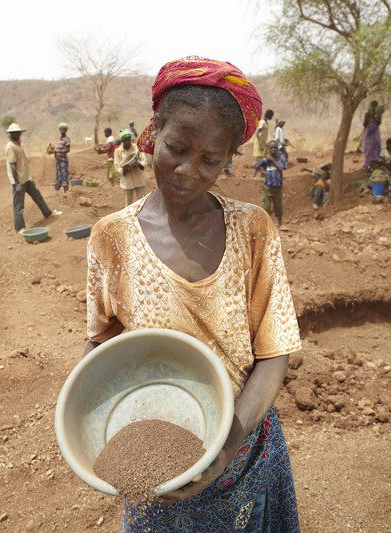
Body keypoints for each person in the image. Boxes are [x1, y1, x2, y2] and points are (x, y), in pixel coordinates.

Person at [85, 57, 301, 531]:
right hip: (155, 461)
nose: (187, 171)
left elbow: (274, 352)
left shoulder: (252, 230)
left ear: (228, 158)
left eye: (210, 160)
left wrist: (224, 449)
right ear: (152, 134)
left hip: (243, 452)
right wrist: (93, 417)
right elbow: (101, 344)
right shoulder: (112, 238)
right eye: (176, 148)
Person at [5, 123, 62, 233]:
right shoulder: (10, 146)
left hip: (26, 179)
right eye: (14, 133)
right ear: (10, 134)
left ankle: (47, 213)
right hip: (19, 181)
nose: (17, 134)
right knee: (19, 206)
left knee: (37, 196)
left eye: (18, 132)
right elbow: (12, 165)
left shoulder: (17, 144)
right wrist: (17, 183)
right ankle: (20, 228)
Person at [252, 140, 287, 227]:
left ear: (277, 148)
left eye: (275, 147)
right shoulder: (265, 159)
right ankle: (262, 226)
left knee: (279, 208)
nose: (273, 149)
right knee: (265, 207)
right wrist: (259, 173)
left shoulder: (281, 158)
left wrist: (273, 161)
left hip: (278, 188)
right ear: (268, 149)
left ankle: (280, 224)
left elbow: (281, 169)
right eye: (271, 148)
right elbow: (256, 166)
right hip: (268, 188)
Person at [113, 129, 146, 205]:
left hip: (139, 178)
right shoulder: (118, 151)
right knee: (128, 203)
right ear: (122, 141)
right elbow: (117, 166)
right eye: (125, 141)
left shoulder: (137, 148)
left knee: (143, 201)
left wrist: (138, 164)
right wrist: (125, 170)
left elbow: (144, 160)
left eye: (129, 140)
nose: (128, 142)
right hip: (127, 181)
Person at [363, 100, 384, 166]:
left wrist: (375, 115)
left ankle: (376, 162)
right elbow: (364, 124)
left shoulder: (378, 114)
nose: (372, 108)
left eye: (374, 106)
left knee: (376, 145)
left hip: (375, 132)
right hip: (368, 132)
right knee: (368, 147)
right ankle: (368, 163)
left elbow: (378, 123)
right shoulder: (367, 114)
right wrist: (369, 116)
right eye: (372, 106)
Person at [54, 123, 71, 192]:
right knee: (58, 174)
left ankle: (66, 191)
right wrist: (55, 152)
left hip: (63, 160)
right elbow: (58, 149)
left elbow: (68, 149)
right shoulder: (60, 139)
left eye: (63, 129)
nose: (62, 130)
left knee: (64, 174)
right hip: (58, 160)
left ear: (66, 130)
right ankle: (57, 190)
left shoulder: (67, 139)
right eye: (61, 129)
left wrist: (60, 152)